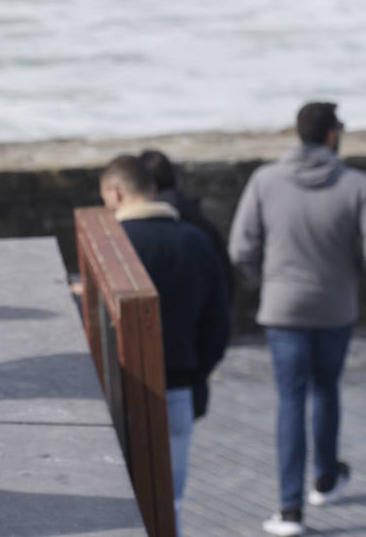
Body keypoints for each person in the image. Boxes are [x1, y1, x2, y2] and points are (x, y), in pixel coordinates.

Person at [229, 102, 366, 536]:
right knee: (325, 390)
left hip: (282, 307)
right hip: (335, 305)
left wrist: (269, 278)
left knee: (290, 400)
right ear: (332, 136)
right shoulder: (356, 184)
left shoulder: (265, 180)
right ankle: (325, 480)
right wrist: (352, 276)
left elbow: (240, 248)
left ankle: (289, 511)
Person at [100, 154, 231, 533]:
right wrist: (194, 370)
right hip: (178, 386)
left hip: (120, 388)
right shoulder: (195, 240)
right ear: (154, 190)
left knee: (121, 503)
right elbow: (218, 325)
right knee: (167, 500)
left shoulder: (112, 246)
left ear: (115, 192)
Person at [139, 147, 235, 420]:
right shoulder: (201, 226)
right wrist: (201, 367)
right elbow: (224, 300)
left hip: (146, 371)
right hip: (189, 366)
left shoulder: (131, 234)